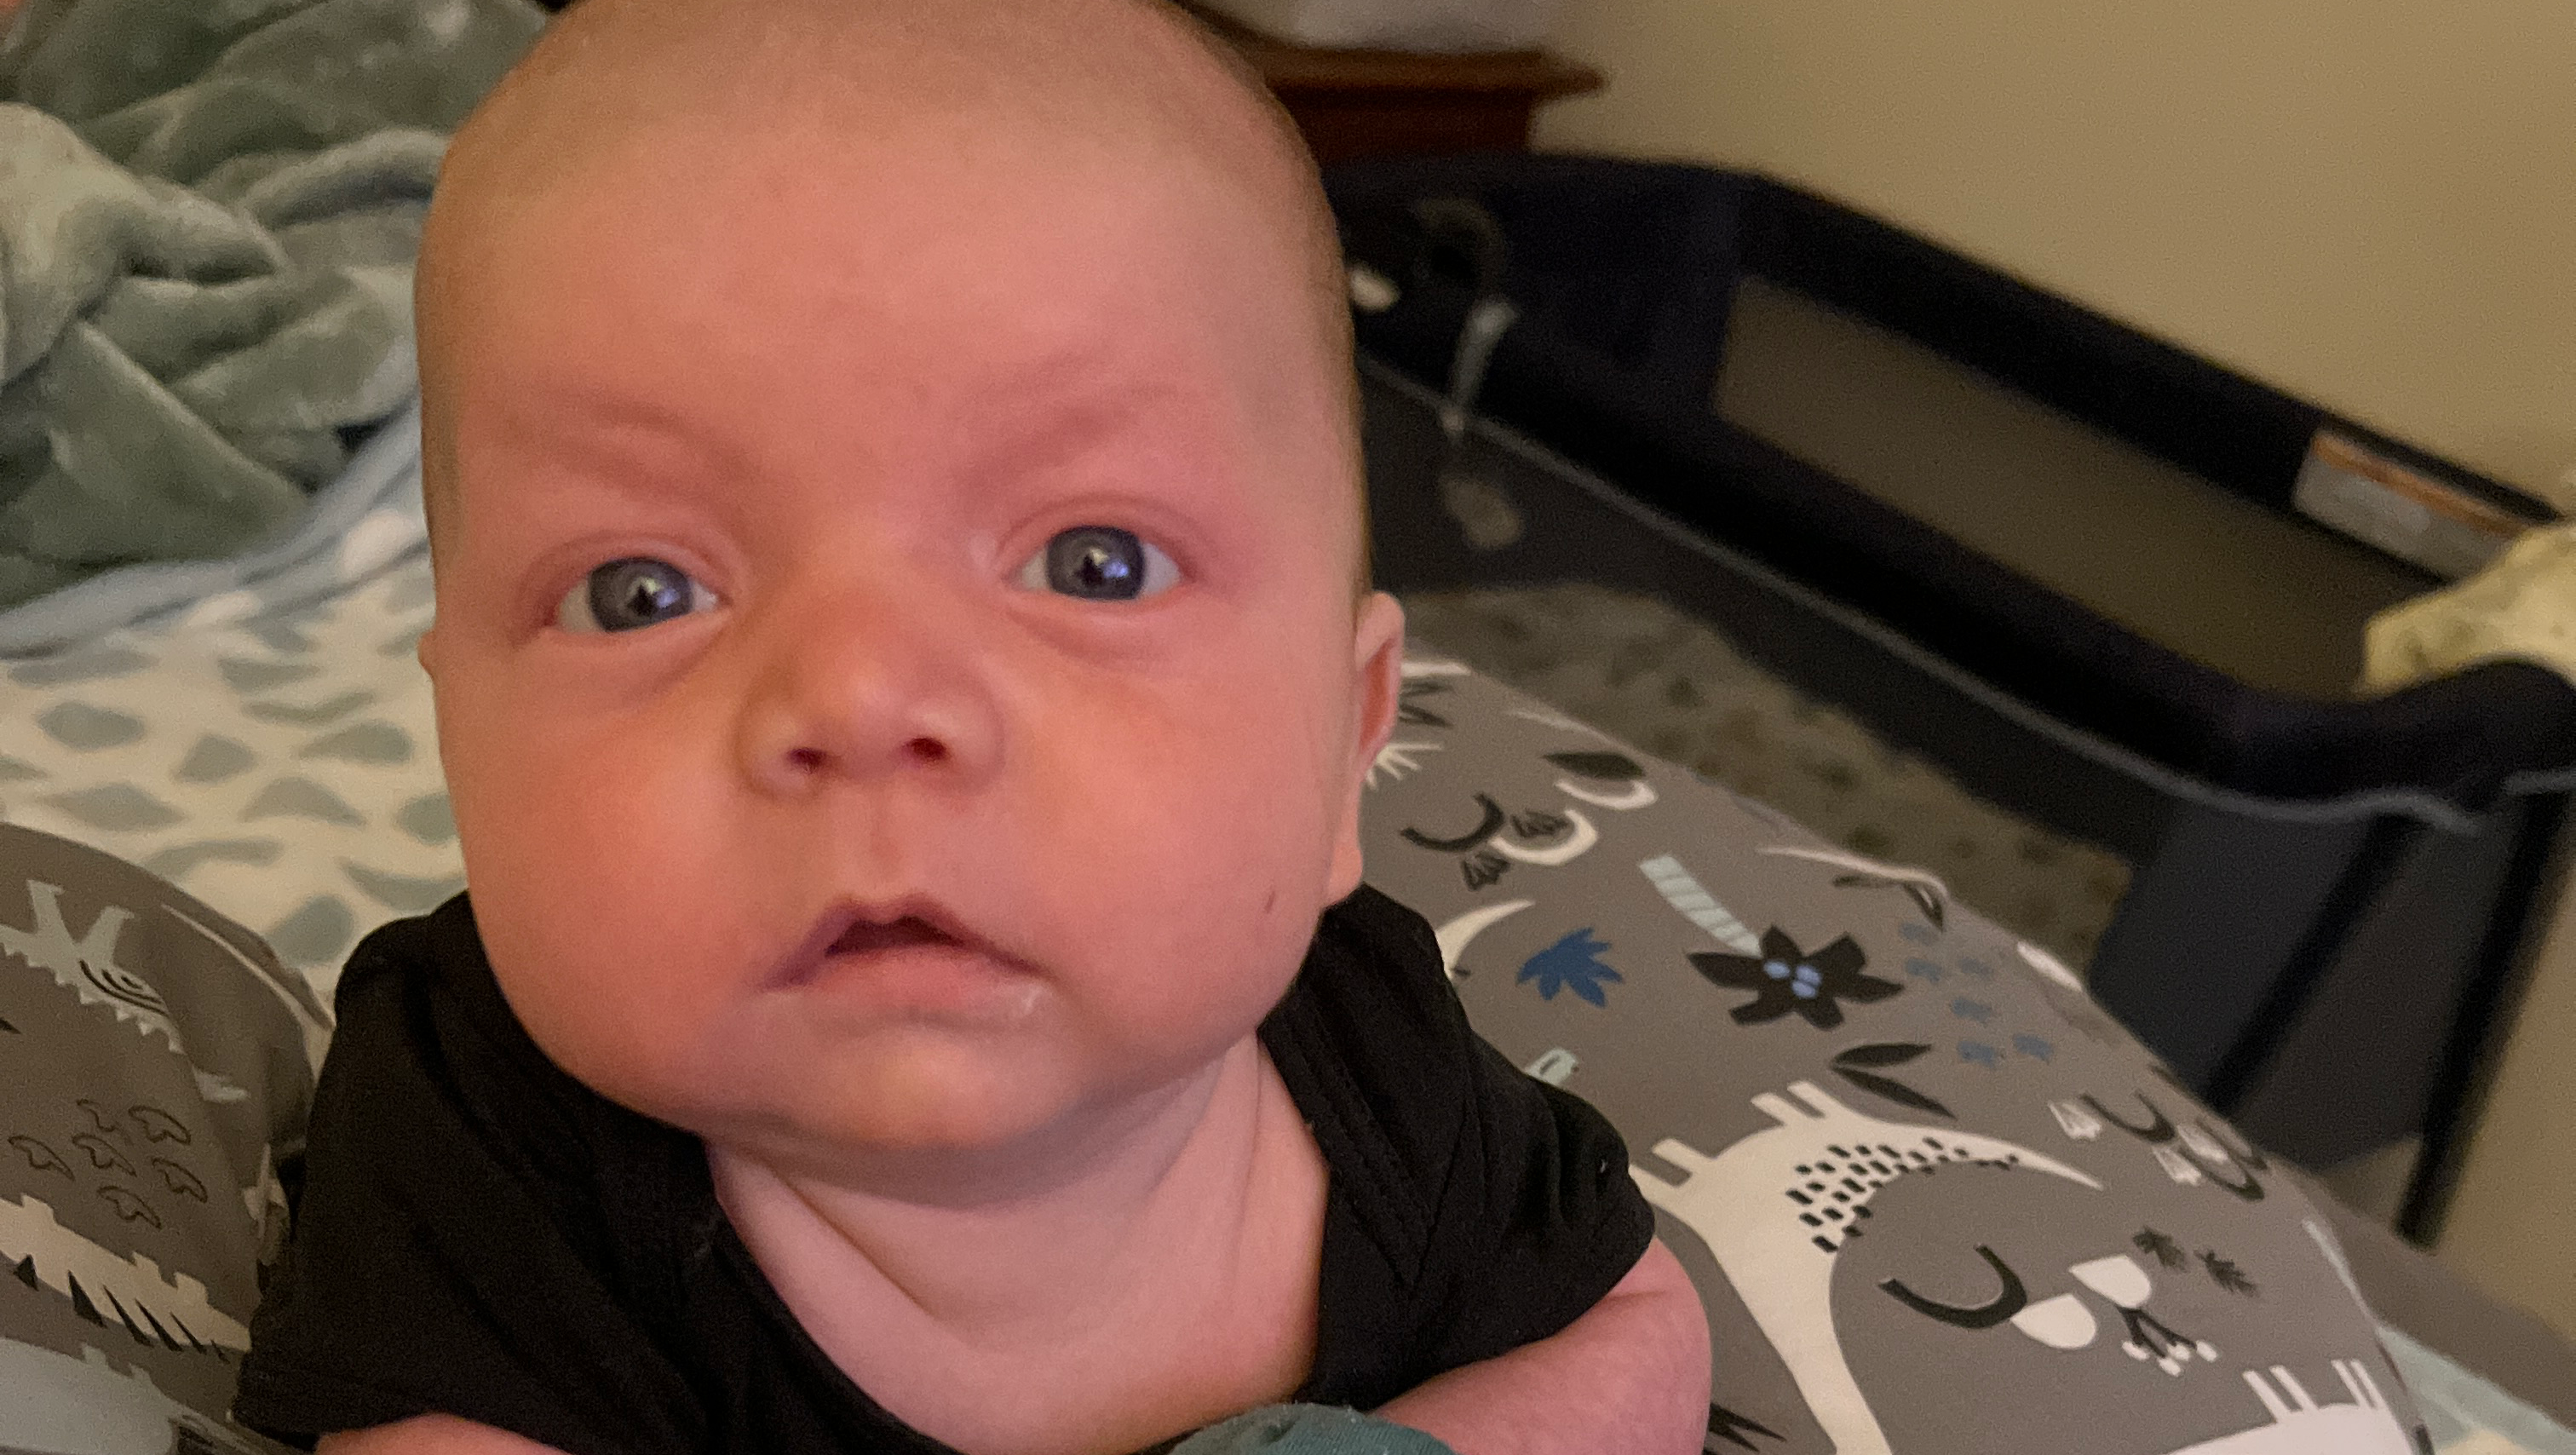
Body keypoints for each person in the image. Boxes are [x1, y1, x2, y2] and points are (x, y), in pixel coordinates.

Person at [234, 2, 1711, 1452]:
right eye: (640, 593)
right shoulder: (479, 1133)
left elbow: (1634, 1331)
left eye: (1095, 564)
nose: (864, 700)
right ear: (460, 747)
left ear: (1345, 745)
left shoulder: (1381, 1063)